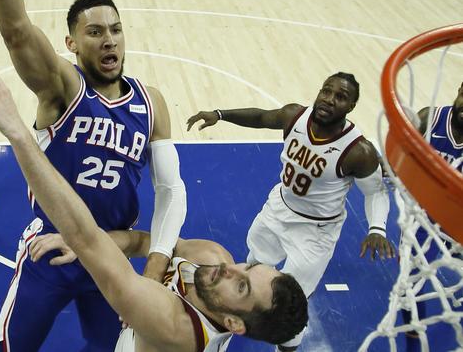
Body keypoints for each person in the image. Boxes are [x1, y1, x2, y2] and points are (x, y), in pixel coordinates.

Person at [0, 60, 308, 352]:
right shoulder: (211, 260)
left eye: (241, 285)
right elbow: (142, 242)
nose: (231, 268)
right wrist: (84, 242)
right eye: (247, 268)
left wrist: (18, 133)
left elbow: (85, 236)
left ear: (233, 322)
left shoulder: (171, 325)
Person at [0, 0, 187, 351]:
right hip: (50, 250)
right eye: (95, 32)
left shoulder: (150, 102)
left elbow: (171, 191)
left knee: (110, 346)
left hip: (112, 254)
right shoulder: (62, 87)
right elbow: (15, 28)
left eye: (115, 30)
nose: (109, 40)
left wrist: (153, 270)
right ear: (71, 43)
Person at [187, 72, 396, 351]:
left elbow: (375, 192)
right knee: (255, 264)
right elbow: (260, 118)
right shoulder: (295, 116)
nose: (330, 100)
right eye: (326, 91)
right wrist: (219, 114)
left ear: (351, 107)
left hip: (316, 231)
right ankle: (237, 315)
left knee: (289, 301)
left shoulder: (359, 151)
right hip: (279, 208)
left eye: (341, 97)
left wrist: (377, 228)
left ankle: (287, 348)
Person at [400, 82, 462, 351]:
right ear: (459, 90)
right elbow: (399, 156)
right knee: (408, 284)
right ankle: (414, 338)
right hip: (424, 215)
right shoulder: (430, 118)